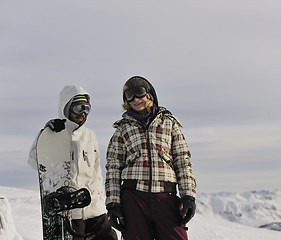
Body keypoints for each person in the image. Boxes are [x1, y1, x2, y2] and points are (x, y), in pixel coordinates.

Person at [105, 76, 196, 240]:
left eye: (139, 93)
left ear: (149, 95)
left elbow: (183, 161)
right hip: (133, 198)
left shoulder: (169, 123)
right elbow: (113, 168)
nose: (135, 99)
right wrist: (113, 204)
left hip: (165, 196)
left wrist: (188, 196)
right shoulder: (122, 129)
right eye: (129, 96)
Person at [28, 85, 118, 240]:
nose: (82, 113)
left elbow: (97, 174)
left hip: (95, 209)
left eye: (87, 108)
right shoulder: (53, 135)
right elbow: (33, 162)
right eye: (77, 108)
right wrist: (46, 135)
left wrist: (101, 203)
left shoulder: (91, 135)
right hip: (71, 212)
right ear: (66, 108)